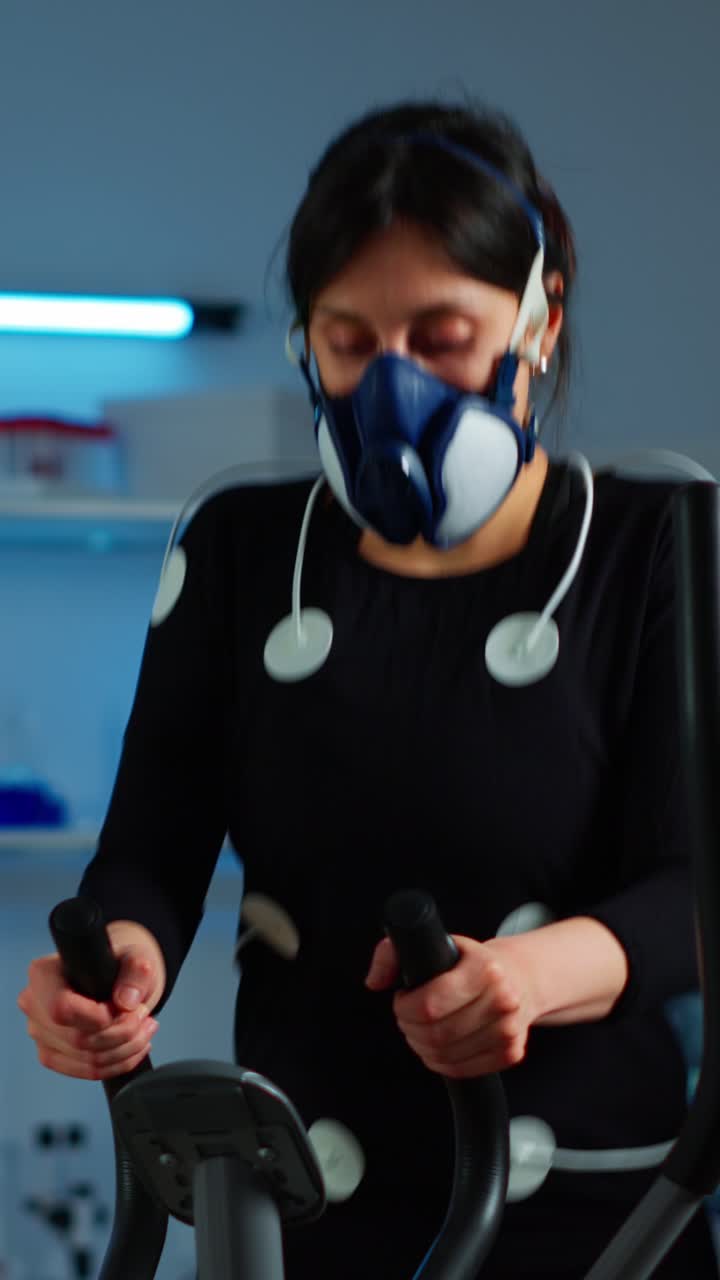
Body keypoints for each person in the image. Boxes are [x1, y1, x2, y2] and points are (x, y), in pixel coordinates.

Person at [17, 99, 719, 1278]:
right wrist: (115, 967)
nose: (394, 386)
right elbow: (150, 847)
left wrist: (526, 980)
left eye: (444, 337)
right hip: (300, 1209)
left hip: (594, 1215)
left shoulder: (657, 541)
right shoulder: (242, 547)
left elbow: (694, 886)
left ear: (539, 324)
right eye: (349, 340)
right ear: (306, 340)